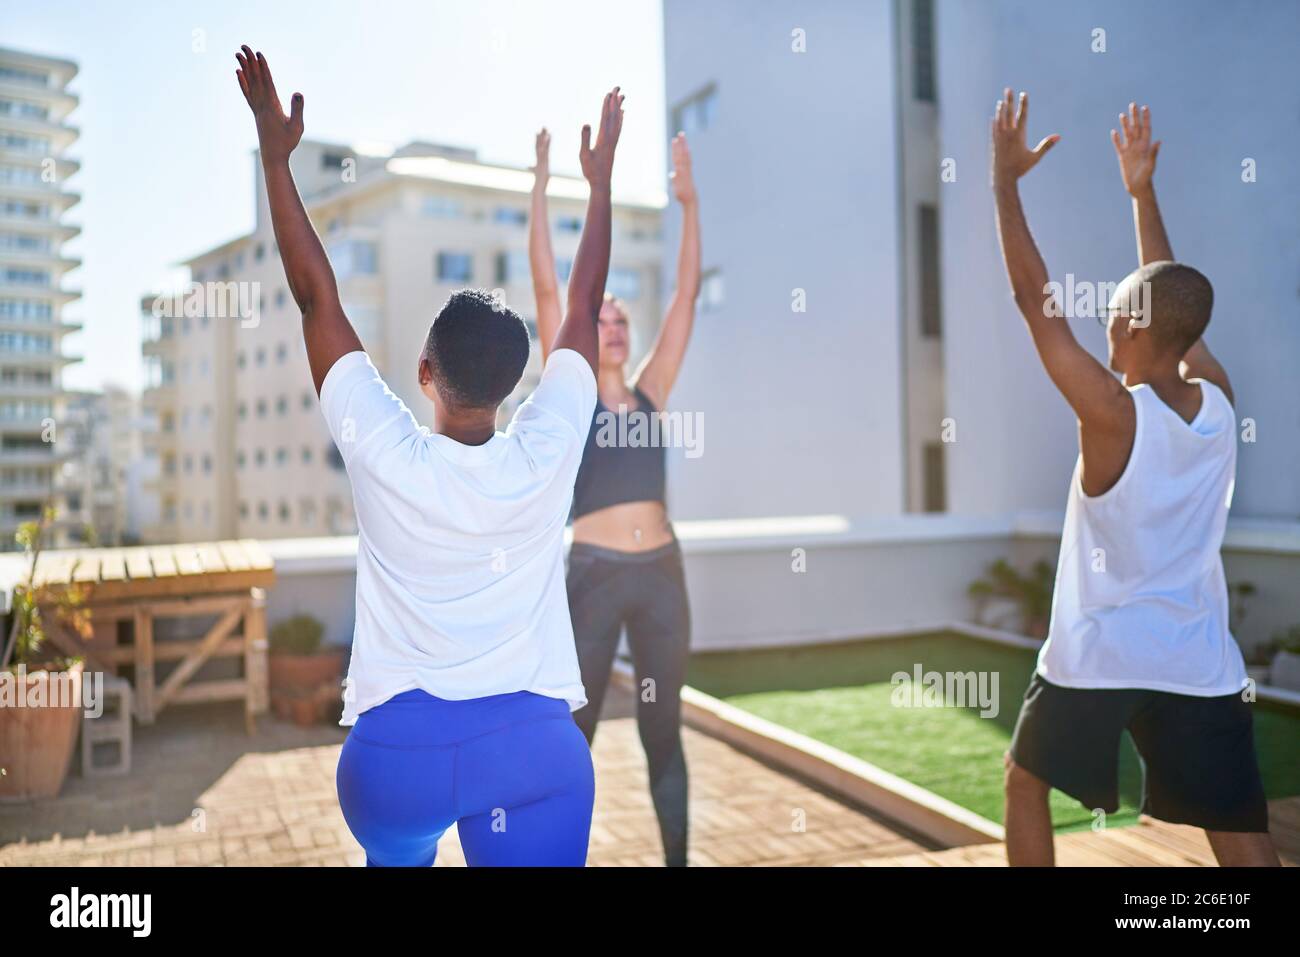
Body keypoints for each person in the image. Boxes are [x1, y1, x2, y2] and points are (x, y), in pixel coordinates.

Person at [235, 45, 625, 866]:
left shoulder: (387, 451)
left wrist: (276, 158)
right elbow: (584, 306)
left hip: (393, 767)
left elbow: (315, 294)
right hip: (531, 757)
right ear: (519, 385)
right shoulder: (547, 449)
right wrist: (600, 183)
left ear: (423, 372)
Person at [991, 91, 1280, 867]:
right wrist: (1141, 192)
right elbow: (1173, 299)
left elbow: (1033, 299)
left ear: (1131, 329)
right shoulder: (1218, 402)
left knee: (1023, 781)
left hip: (1102, 653)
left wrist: (1003, 181)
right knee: (1242, 831)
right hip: (1198, 661)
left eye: (1116, 314)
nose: (1107, 323)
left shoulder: (1113, 415)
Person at [528, 127, 701, 866]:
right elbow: (546, 288)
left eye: (621, 318)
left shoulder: (653, 392)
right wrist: (539, 189)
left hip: (662, 574)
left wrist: (689, 205)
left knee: (664, 733)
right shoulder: (567, 394)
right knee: (577, 733)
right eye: (602, 317)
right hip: (592, 576)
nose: (616, 326)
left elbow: (687, 295)